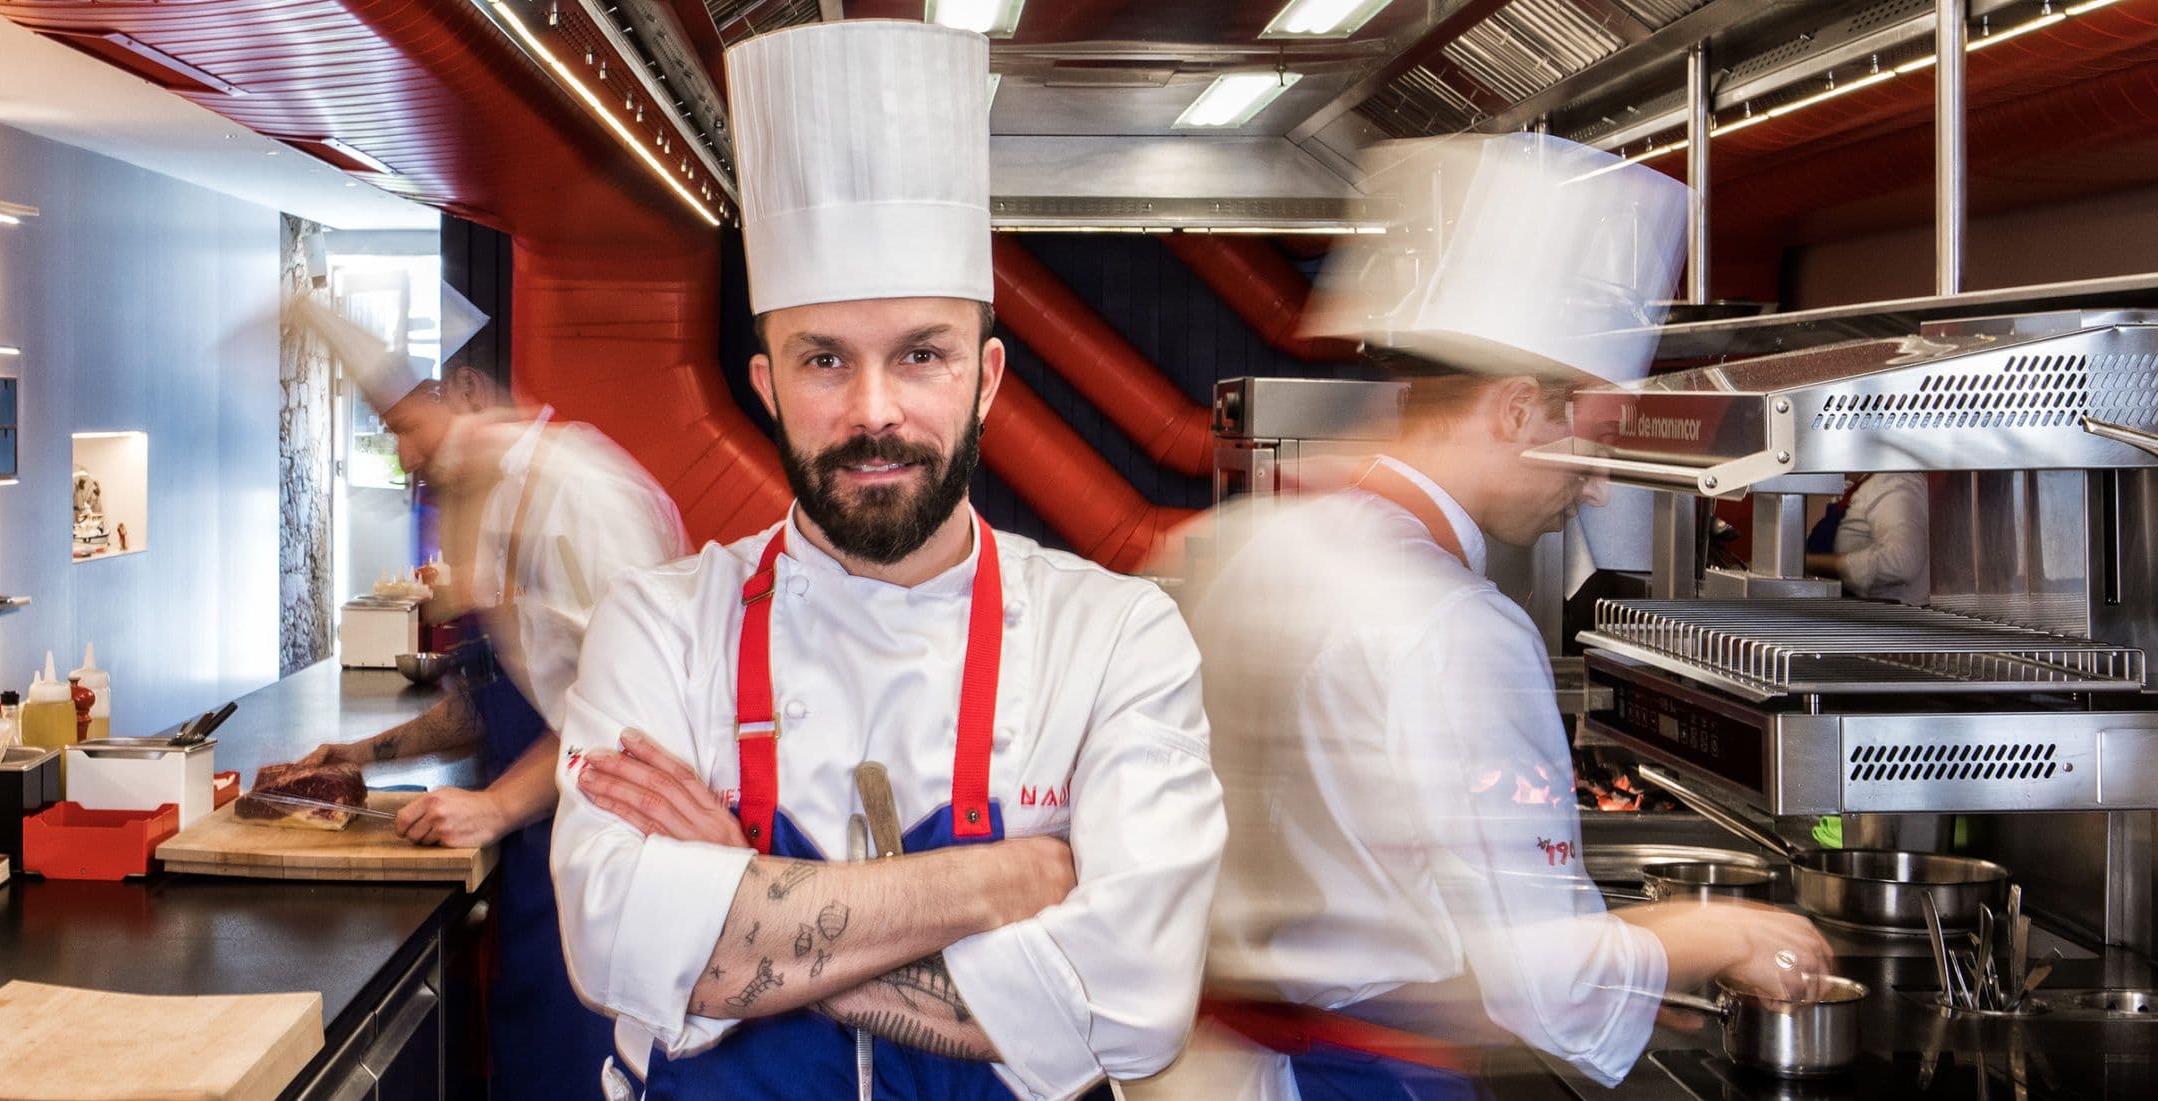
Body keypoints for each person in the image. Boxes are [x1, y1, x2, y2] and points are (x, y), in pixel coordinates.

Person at [546, 19, 1226, 1101]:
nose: (874, 412)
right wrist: (1004, 882)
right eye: (823, 360)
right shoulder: (659, 624)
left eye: (921, 354)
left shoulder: (1115, 638)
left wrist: (736, 913)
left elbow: (1132, 1012)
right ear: (766, 389)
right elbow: (614, 947)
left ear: (986, 381)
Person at [1151, 134, 1833, 1101]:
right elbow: (1538, 977)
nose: (1597, 491)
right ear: (1516, 410)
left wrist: (1635, 968)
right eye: (1591, 447)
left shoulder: (1256, 542)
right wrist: (1718, 933)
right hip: (1359, 1080)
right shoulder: (1456, 625)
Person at [292, 298, 687, 1101]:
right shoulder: (499, 495)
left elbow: (622, 714)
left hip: (604, 846)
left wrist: (496, 807)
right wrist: (365, 754)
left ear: (466, 390)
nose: (404, 457)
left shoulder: (573, 495)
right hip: (545, 845)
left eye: (408, 427)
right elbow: (501, 697)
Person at [1805, 472, 1931, 603]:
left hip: (1895, 617)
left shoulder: (1893, 483)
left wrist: (1814, 564)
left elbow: (1902, 563)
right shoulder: (1857, 486)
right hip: (1861, 613)